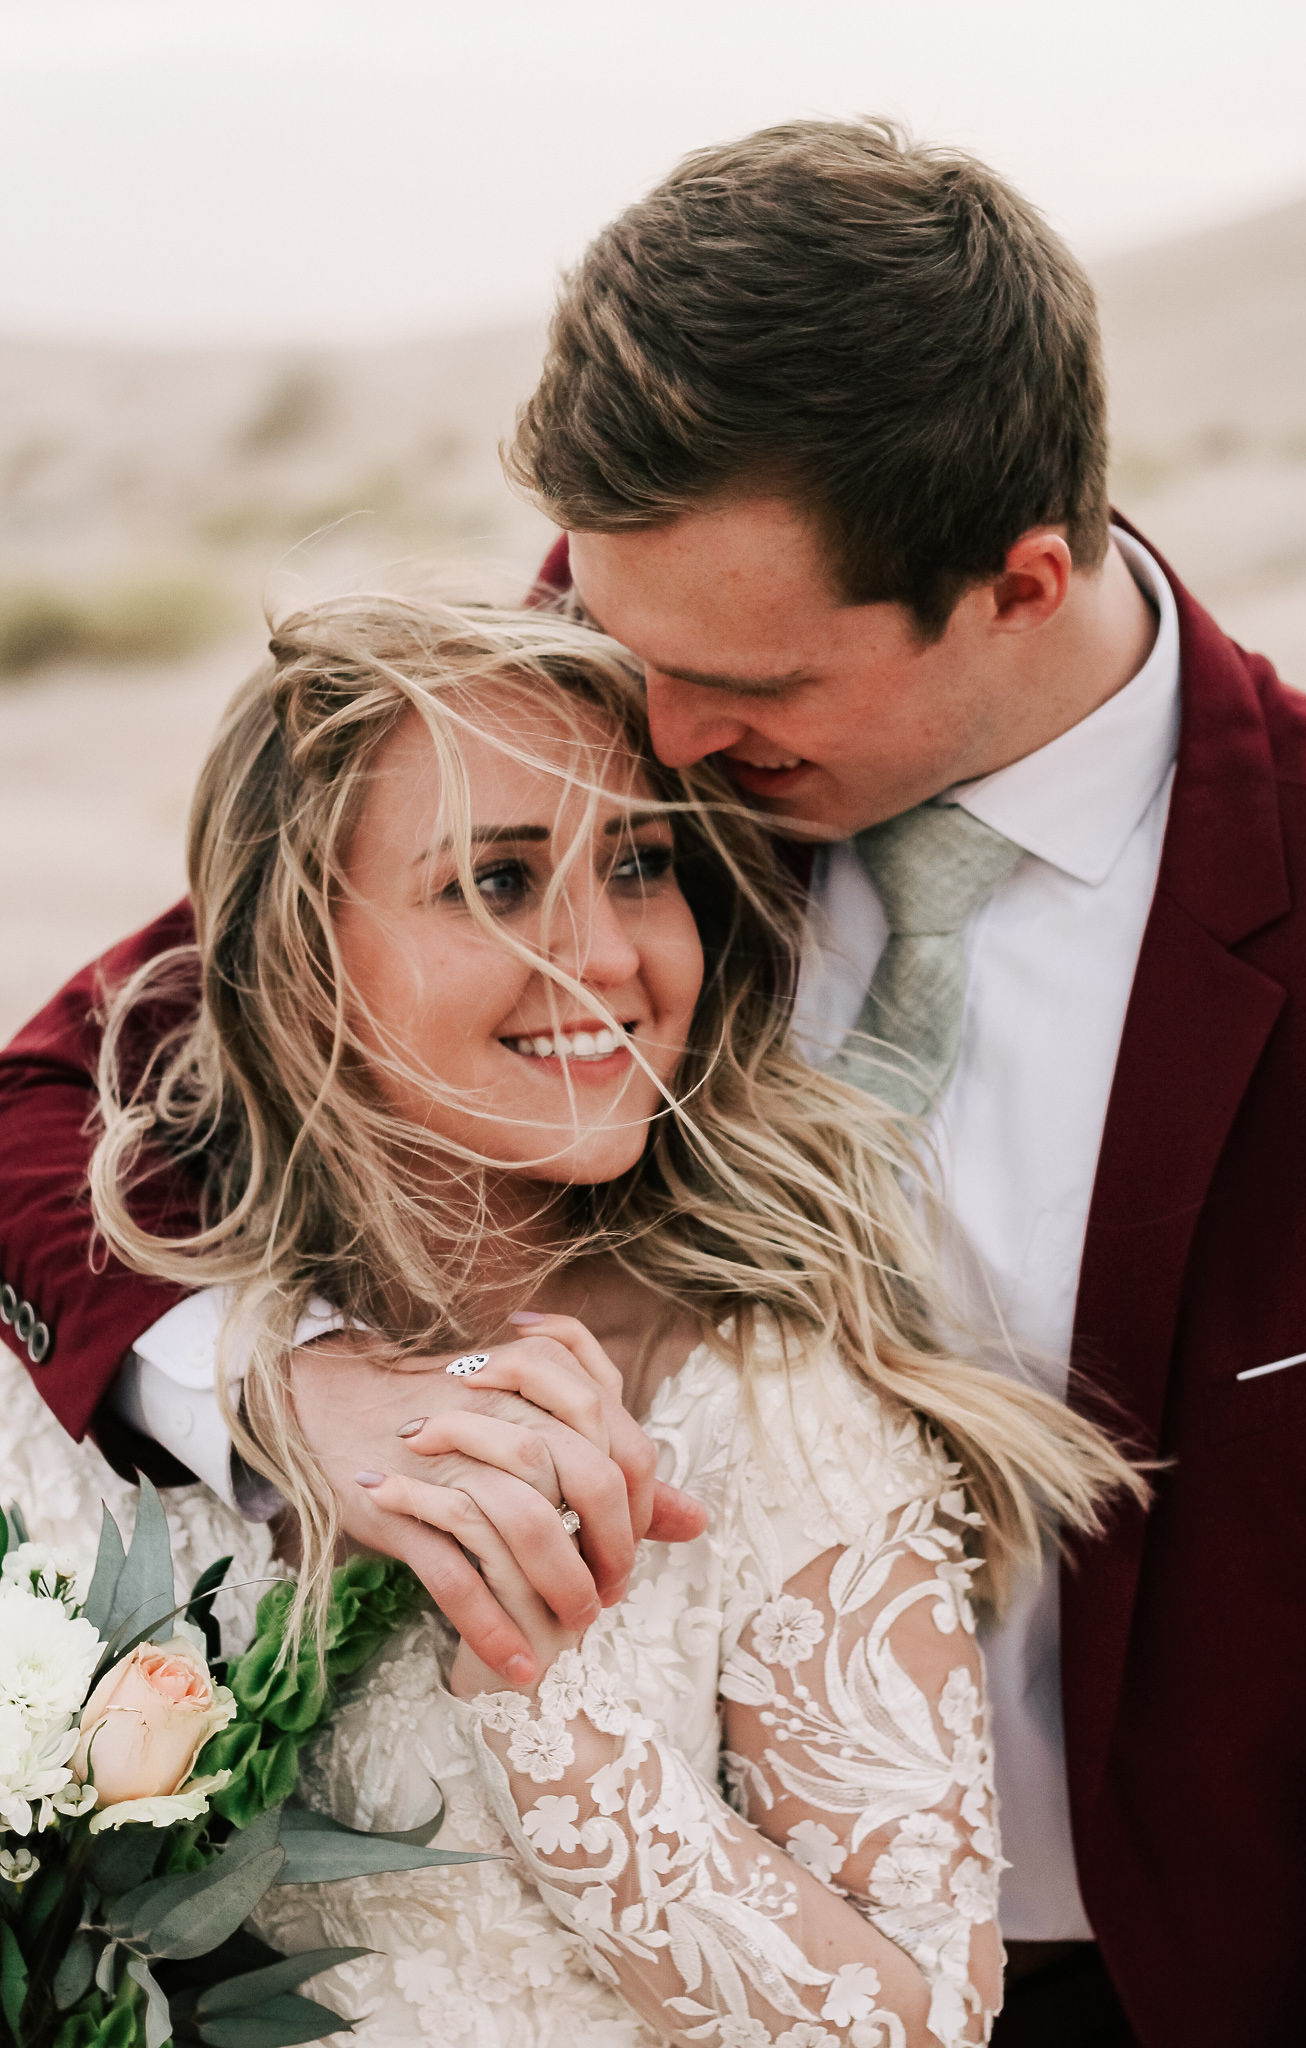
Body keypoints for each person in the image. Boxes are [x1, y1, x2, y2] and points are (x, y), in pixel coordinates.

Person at [2, 117, 1306, 2043]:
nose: (662, 736)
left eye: (757, 688)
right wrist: (280, 1384)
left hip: (1149, 1985)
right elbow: (59, 1100)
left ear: (1020, 582)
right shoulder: (594, 728)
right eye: (624, 638)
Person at [0, 595, 1133, 2046]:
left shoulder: (769, 1408)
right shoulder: (127, 1356)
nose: (602, 954)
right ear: (296, 957)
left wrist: (547, 1711)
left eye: (639, 864)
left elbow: (914, 2024)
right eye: (497, 880)